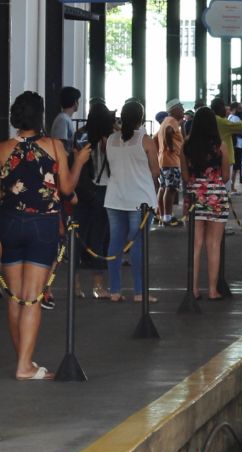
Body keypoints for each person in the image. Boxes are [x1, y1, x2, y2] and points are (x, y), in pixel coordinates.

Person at [0, 91, 90, 379]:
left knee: (15, 297)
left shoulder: (2, 149)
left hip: (9, 224)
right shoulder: (53, 146)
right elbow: (65, 189)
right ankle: (25, 366)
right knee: (32, 297)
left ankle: (24, 360)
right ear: (39, 117)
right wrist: (79, 162)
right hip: (42, 225)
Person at [103, 99, 161, 303]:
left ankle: (115, 290)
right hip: (141, 201)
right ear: (141, 119)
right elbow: (155, 171)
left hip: (115, 198)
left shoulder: (110, 140)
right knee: (138, 247)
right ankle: (139, 292)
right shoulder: (145, 141)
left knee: (115, 245)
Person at [183, 107, 230, 300]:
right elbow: (226, 176)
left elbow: (185, 177)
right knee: (213, 244)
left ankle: (193, 289)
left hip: (194, 196)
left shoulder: (186, 145)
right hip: (216, 196)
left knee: (195, 246)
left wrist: (197, 181)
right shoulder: (221, 145)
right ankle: (212, 290)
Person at [72, 100, 115, 300]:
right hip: (104, 192)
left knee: (78, 238)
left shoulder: (80, 135)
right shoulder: (111, 138)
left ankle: (76, 284)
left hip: (82, 191)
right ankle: (98, 286)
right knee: (100, 239)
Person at [156, 99, 185, 227]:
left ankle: (162, 215)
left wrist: (161, 151)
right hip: (172, 160)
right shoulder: (171, 121)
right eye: (181, 108)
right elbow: (168, 131)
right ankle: (167, 217)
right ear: (174, 109)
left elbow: (154, 138)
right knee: (171, 188)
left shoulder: (165, 121)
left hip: (163, 160)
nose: (183, 110)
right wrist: (171, 147)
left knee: (163, 187)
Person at [211, 98, 242, 195]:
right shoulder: (221, 121)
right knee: (225, 185)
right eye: (225, 108)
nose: (226, 110)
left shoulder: (212, 119)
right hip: (225, 157)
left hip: (213, 156)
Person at [50, 86, 81, 151]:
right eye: (78, 100)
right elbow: (61, 146)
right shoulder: (62, 120)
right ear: (75, 102)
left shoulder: (65, 118)